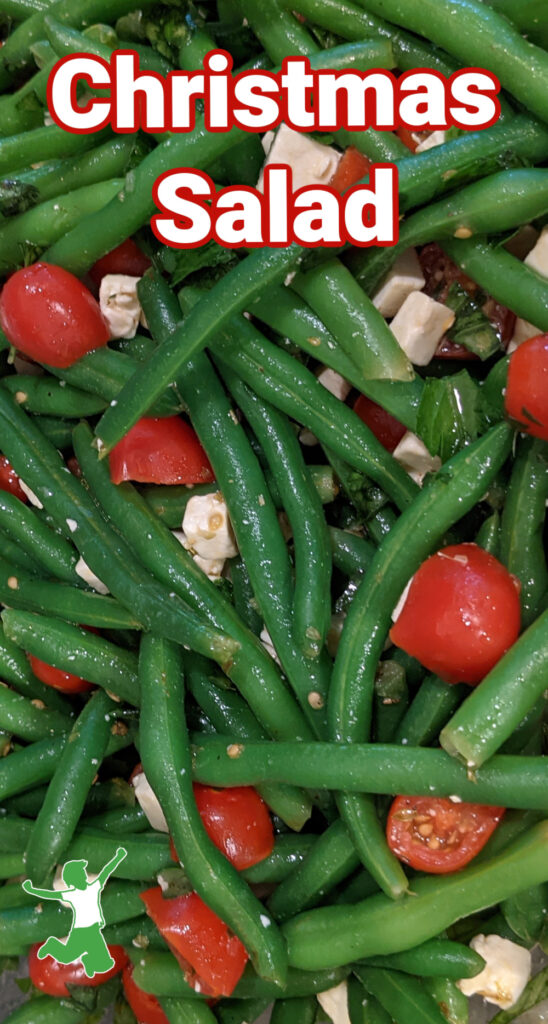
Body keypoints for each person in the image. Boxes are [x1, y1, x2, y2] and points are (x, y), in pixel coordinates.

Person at [22, 847, 127, 977]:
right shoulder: (72, 894)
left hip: (93, 929)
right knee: (67, 956)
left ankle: (89, 962)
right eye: (80, 873)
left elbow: (106, 871)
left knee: (103, 961)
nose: (83, 874)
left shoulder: (93, 886)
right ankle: (51, 946)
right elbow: (50, 895)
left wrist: (118, 857)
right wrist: (31, 890)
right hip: (81, 932)